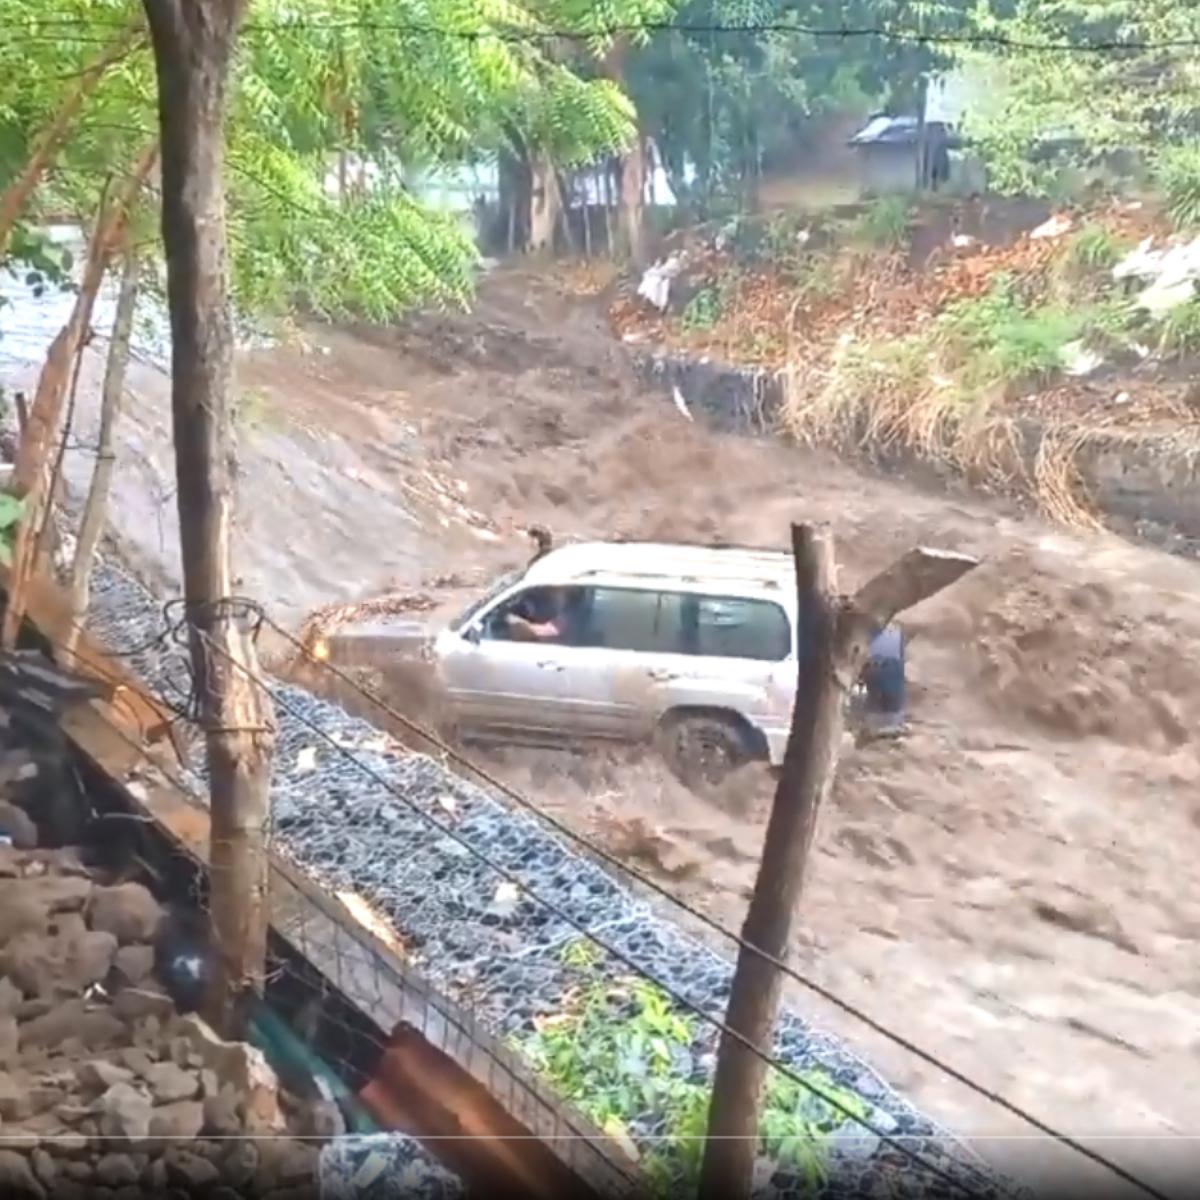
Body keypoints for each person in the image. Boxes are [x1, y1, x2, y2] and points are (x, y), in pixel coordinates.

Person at [503, 586, 577, 643]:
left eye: (555, 590)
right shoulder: (565, 604)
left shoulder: (572, 612)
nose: (551, 591)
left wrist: (523, 625)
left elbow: (554, 631)